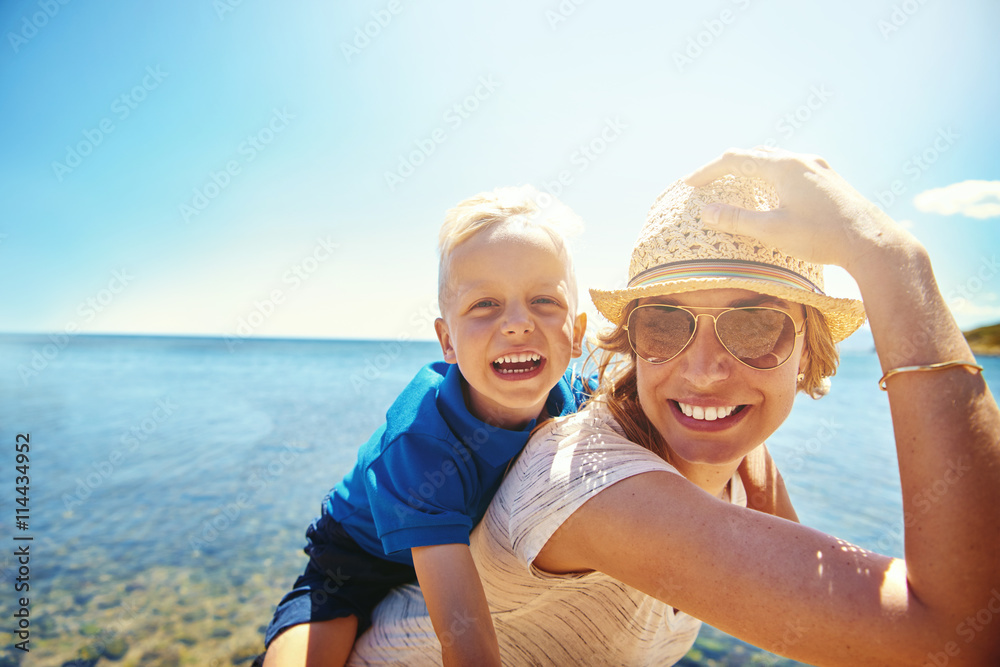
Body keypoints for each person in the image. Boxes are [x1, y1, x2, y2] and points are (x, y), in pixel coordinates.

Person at [348, 149, 1000, 666]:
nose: (705, 369)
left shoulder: (747, 465)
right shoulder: (585, 479)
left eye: (753, 325)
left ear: (809, 347)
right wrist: (890, 258)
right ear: (633, 338)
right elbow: (961, 640)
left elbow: (871, 633)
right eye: (666, 324)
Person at [260, 186, 590, 666]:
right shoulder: (421, 443)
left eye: (543, 300)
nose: (518, 323)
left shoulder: (581, 394)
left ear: (577, 334)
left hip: (453, 530)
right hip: (355, 558)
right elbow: (466, 643)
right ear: (446, 340)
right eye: (484, 305)